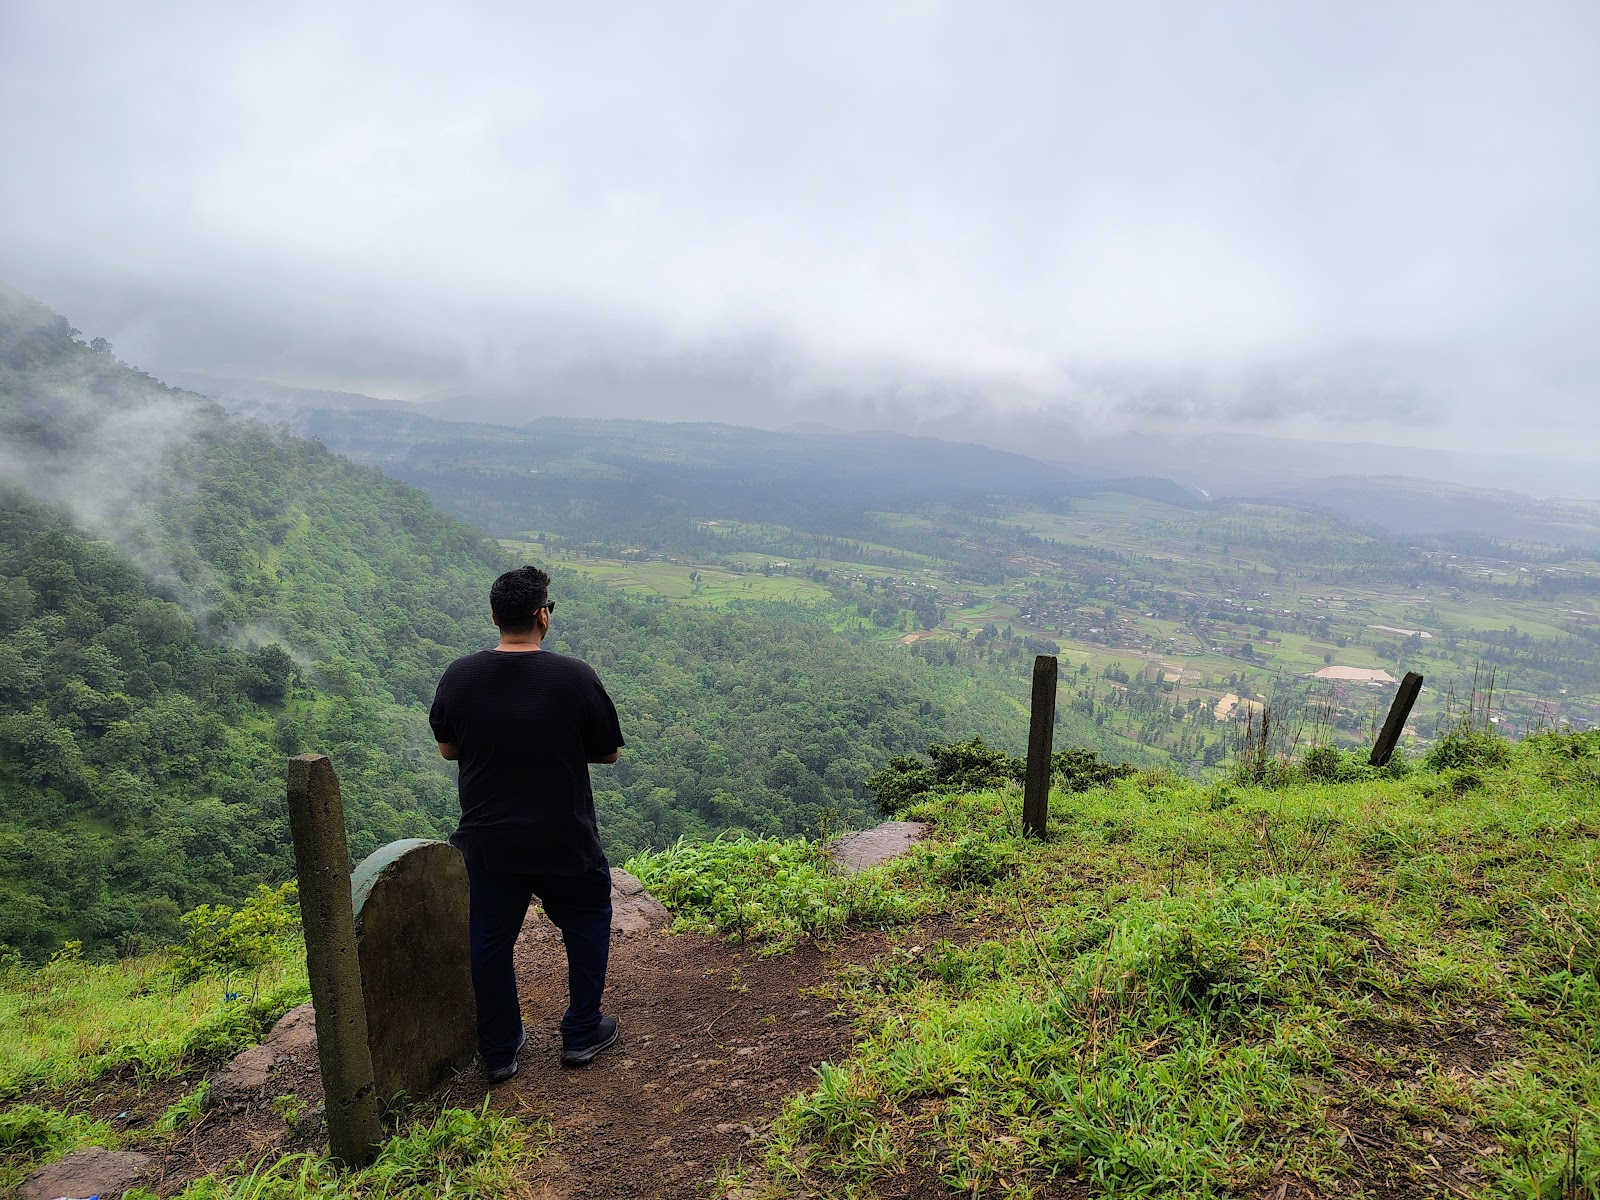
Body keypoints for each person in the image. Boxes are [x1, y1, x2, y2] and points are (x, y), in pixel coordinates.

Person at [428, 565, 625, 1082]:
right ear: (543, 615)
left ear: (494, 617)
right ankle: (582, 1031)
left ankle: (499, 1048)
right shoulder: (575, 676)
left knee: (490, 939)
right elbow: (608, 754)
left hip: (489, 840)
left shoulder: (459, 676)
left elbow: (448, 748)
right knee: (586, 920)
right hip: (564, 835)